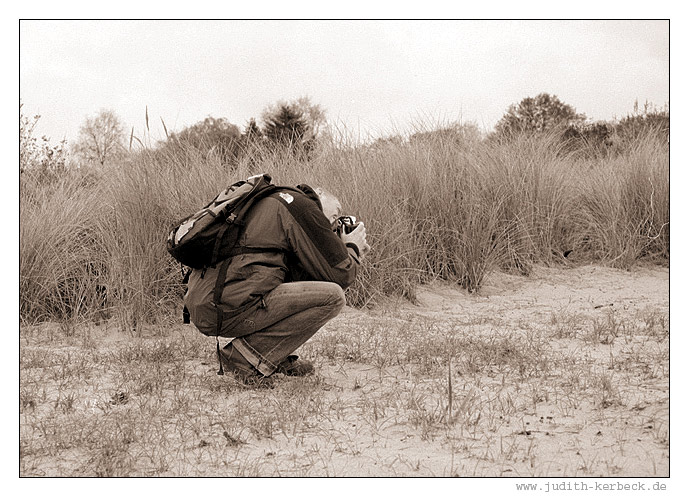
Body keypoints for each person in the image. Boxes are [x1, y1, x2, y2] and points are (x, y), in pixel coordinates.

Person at [184, 183, 370, 386]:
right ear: (319, 192)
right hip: (225, 306)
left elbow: (302, 274)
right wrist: (352, 248)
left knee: (306, 281)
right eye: (336, 214)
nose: (333, 223)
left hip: (211, 304)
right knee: (332, 297)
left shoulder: (272, 200)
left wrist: (335, 248)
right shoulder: (301, 206)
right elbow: (342, 276)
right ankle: (243, 358)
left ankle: (275, 356)